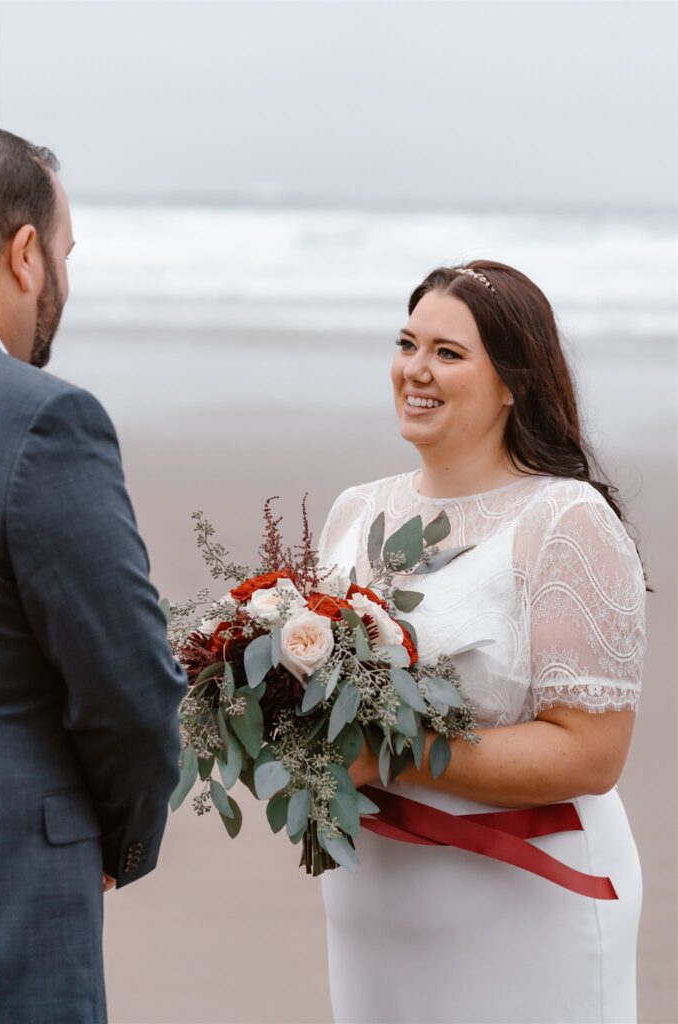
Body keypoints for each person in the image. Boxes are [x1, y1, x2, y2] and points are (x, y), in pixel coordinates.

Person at [317, 262, 646, 1024]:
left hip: (527, 901)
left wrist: (386, 753)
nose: (415, 370)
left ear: (512, 382)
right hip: (372, 900)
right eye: (406, 343)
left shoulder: (564, 521)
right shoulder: (353, 511)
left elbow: (591, 754)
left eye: (448, 352)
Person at [0, 129, 187, 1023]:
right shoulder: (42, 422)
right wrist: (124, 837)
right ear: (24, 253)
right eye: (66, 252)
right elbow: (130, 689)